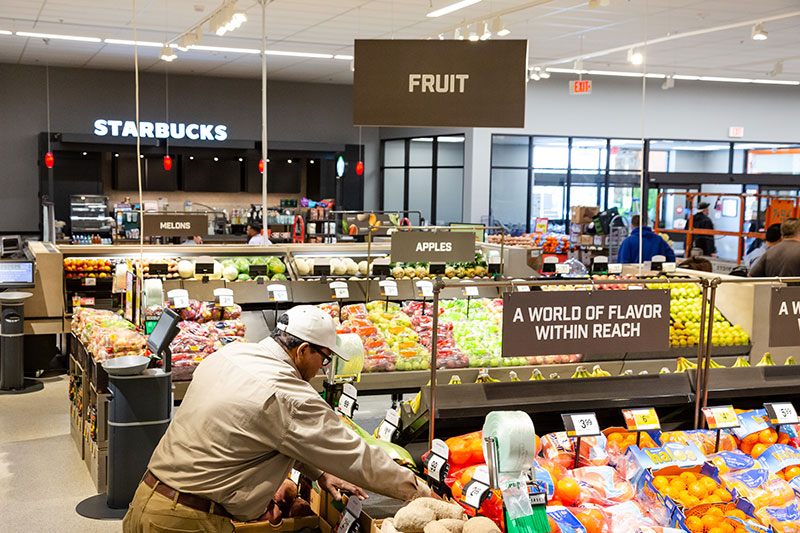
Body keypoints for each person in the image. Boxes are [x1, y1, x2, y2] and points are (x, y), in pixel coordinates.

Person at [123, 305, 429, 533]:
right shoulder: (289, 394)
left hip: (145, 501)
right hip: (185, 522)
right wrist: (420, 492)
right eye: (324, 358)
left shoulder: (227, 356)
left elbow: (253, 429)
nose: (323, 368)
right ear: (303, 350)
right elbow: (357, 457)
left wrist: (319, 471)